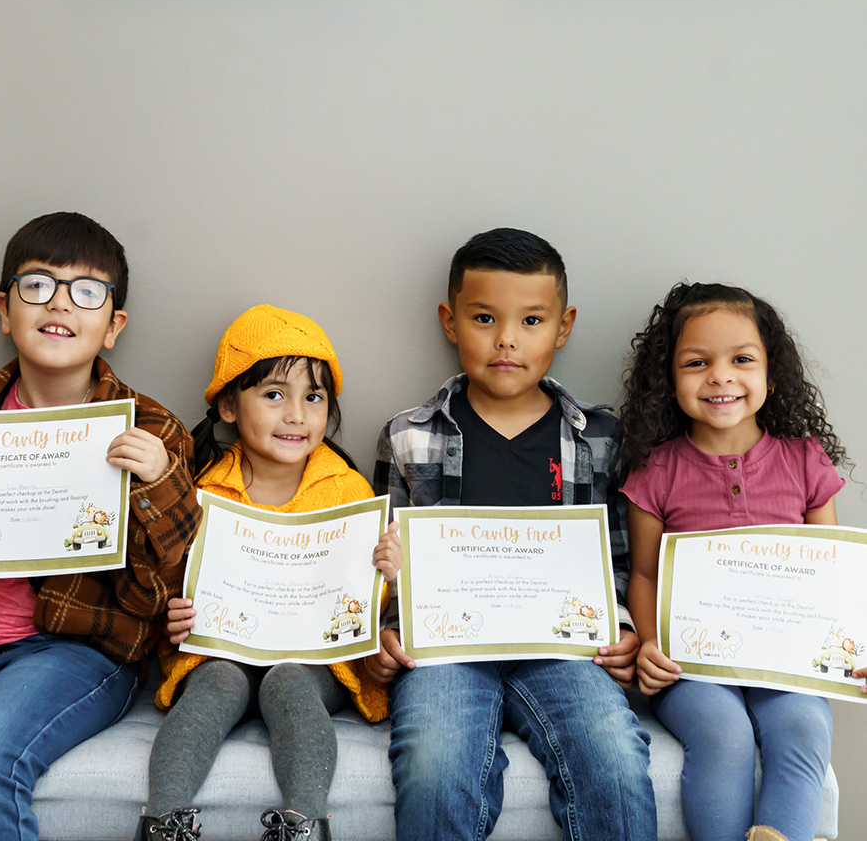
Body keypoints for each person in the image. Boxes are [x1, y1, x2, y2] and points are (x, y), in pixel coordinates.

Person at [0, 210, 201, 841]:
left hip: (76, 653)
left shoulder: (151, 431)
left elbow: (172, 593)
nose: (60, 303)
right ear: (5, 306)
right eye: (37, 284)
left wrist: (158, 486)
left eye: (87, 291)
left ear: (113, 324)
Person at [370, 228, 657, 841]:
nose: (506, 339)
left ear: (564, 326)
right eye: (483, 317)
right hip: (447, 653)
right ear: (449, 321)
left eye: (531, 320)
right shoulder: (407, 435)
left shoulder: (600, 438)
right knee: (433, 763)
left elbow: (620, 556)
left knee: (613, 751)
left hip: (563, 650)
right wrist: (387, 630)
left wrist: (625, 633)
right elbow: (380, 563)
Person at [141, 304, 401, 841]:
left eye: (313, 397)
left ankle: (304, 823)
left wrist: (387, 574)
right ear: (229, 404)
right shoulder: (206, 489)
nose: (296, 415)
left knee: (287, 682)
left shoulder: (347, 491)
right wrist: (177, 613)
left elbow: (360, 606)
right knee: (213, 681)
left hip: (310, 663)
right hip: (223, 649)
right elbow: (176, 575)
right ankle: (162, 820)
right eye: (274, 394)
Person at [621, 281, 852, 841]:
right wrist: (651, 645)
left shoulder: (805, 463)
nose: (720, 376)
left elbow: (835, 576)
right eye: (697, 362)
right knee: (723, 733)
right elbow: (645, 575)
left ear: (771, 377)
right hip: (692, 666)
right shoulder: (657, 471)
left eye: (741, 360)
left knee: (801, 725)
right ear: (668, 381)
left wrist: (852, 647)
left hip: (788, 662)